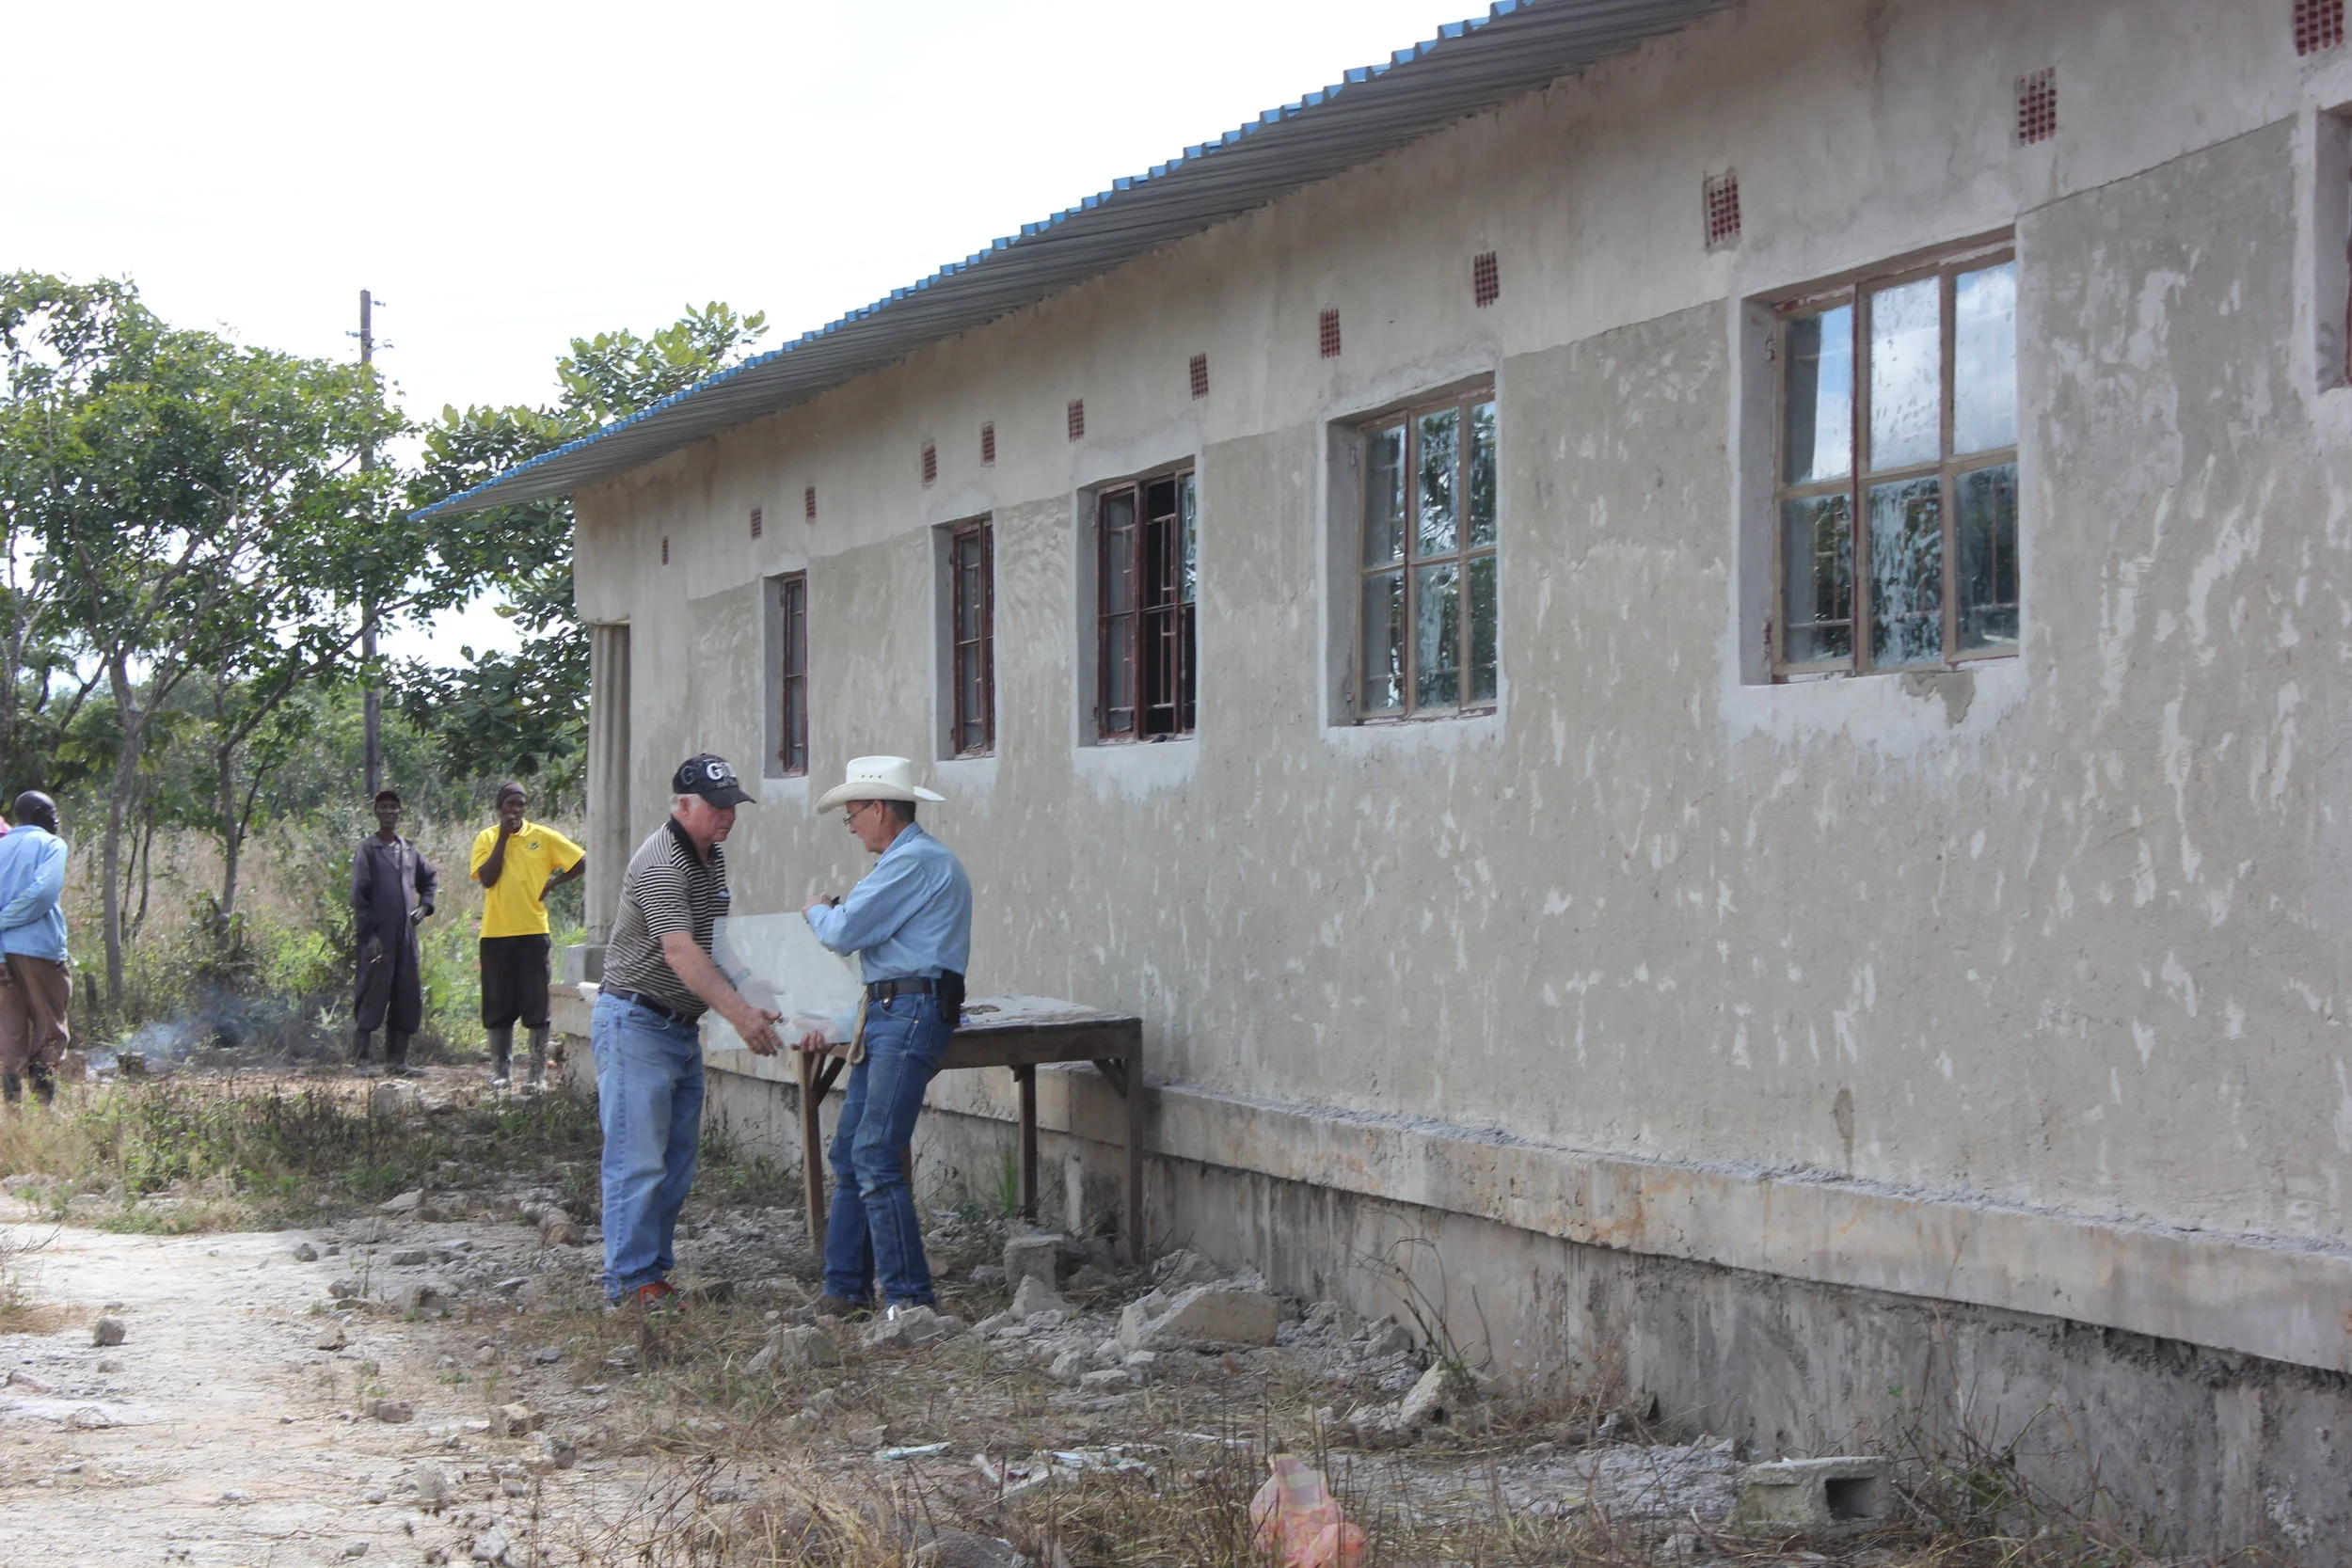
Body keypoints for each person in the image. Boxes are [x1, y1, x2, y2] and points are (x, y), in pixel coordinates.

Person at [593, 753, 783, 1309]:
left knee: (674, 1166)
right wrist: (740, 1015)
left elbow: (715, 941)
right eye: (717, 806)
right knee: (637, 1162)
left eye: (733, 806)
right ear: (683, 805)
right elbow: (680, 951)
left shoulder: (711, 858)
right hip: (637, 1021)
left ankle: (651, 1275)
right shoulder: (661, 863)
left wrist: (756, 990)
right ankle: (628, 1285)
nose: (728, 817)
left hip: (678, 1028)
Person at [793, 755, 971, 1319]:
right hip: (896, 1009)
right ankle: (845, 1289)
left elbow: (846, 933)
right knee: (854, 1151)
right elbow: (882, 961)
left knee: (872, 1153)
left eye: (852, 817)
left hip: (908, 1011)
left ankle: (909, 1299)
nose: (851, 828)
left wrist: (817, 912)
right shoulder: (913, 862)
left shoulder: (912, 863)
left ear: (878, 808)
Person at [469, 782, 585, 1090]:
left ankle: (536, 1076)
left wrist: (552, 884)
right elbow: (488, 879)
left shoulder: (543, 837)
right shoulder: (487, 838)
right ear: (500, 807)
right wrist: (503, 840)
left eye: (520, 804)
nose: (516, 810)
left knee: (536, 1003)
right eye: (510, 804)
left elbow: (580, 862)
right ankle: (501, 1071)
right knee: (497, 1003)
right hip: (496, 934)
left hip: (533, 932)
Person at [351, 788, 438, 1077]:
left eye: (393, 808)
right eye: (383, 808)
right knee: (372, 992)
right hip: (378, 939)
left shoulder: (409, 849)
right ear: (376, 813)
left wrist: (424, 908)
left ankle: (397, 1061)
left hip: (405, 938)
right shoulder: (368, 850)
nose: (389, 812)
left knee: (406, 993)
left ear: (401, 813)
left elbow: (429, 879)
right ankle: (361, 1061)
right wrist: (370, 935)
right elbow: (360, 896)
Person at [0, 793, 70, 1108]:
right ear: (39, 813)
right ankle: (45, 1108)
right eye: (54, 814)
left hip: (2, 955)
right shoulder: (52, 845)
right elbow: (43, 893)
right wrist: (5, 919)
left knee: (10, 1032)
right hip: (38, 949)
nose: (57, 821)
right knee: (50, 1029)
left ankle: (12, 1114)